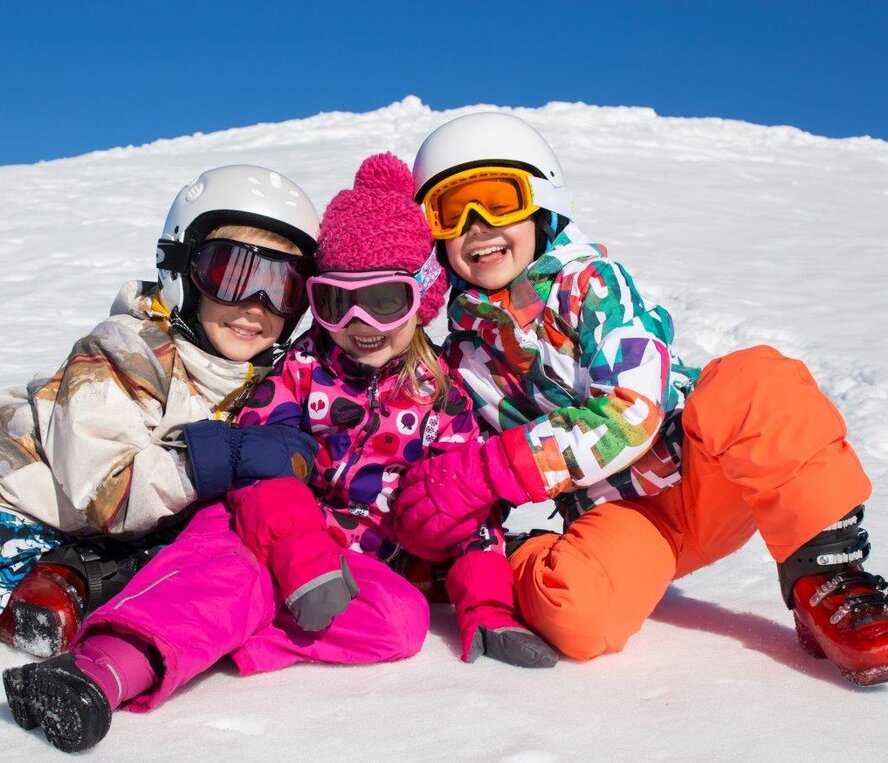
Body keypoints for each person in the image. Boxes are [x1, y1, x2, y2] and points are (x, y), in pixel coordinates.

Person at [3, 153, 556, 754]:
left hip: (335, 563)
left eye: (386, 301)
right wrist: (298, 554)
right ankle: (101, 671)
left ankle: (212, 629)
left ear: (422, 299)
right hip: (232, 527)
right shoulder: (290, 370)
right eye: (336, 301)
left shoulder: (442, 398)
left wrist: (488, 602)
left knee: (402, 622)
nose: (360, 322)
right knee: (231, 568)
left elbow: (464, 510)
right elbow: (257, 469)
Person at [393, 111, 888, 686]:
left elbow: (634, 410)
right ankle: (518, 560)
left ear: (541, 201)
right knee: (577, 615)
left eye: (498, 200)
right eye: (453, 212)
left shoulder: (591, 285)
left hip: (709, 469)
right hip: (625, 519)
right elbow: (458, 459)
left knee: (757, 381)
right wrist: (449, 518)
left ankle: (825, 574)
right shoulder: (466, 361)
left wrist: (500, 468)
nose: (477, 226)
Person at [0, 164, 320, 659]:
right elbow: (108, 494)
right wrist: (223, 456)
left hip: (106, 531)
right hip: (20, 498)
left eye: (283, 287)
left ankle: (78, 578)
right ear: (181, 270)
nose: (256, 305)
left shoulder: (271, 380)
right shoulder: (124, 351)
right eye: (231, 275)